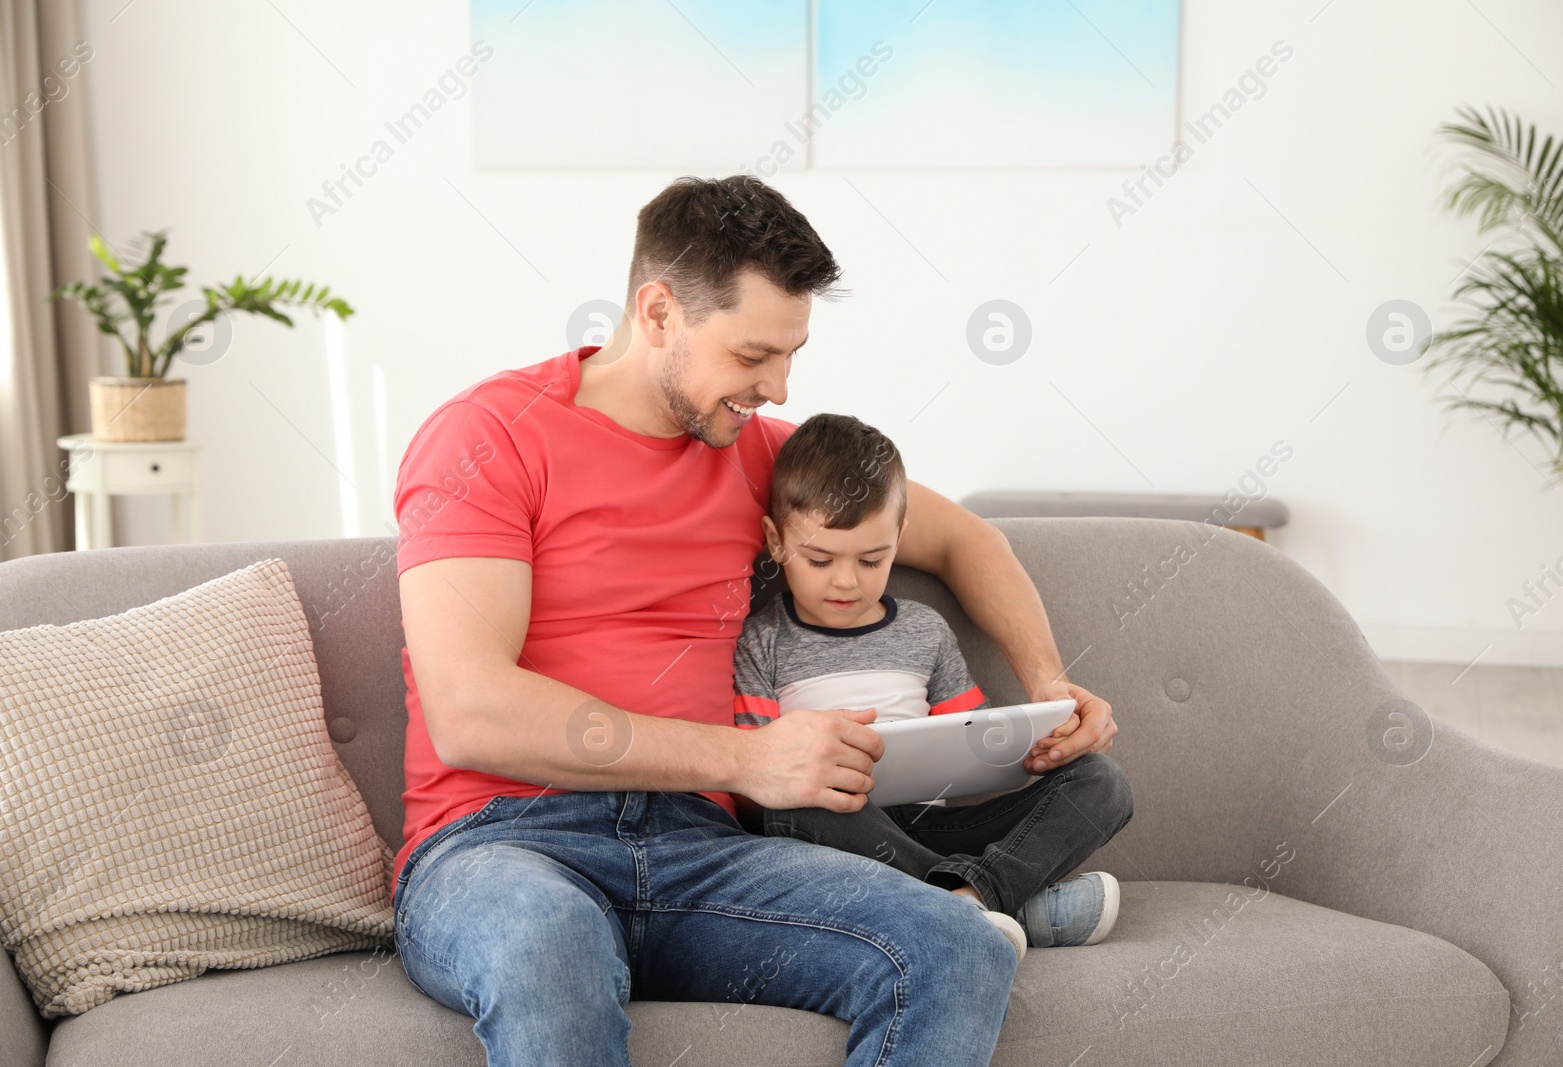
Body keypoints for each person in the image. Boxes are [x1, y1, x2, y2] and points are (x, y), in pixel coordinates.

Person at [389, 174, 1121, 1067]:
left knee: (956, 946)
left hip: (699, 850)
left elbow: (970, 539)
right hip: (501, 844)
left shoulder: (756, 460)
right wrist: (749, 757)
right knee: (550, 942)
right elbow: (471, 710)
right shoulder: (488, 437)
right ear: (659, 312)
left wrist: (1049, 684)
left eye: (790, 354)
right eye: (752, 356)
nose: (776, 388)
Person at [733, 413, 1133, 961]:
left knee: (1102, 781)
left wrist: (1043, 739)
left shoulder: (924, 631)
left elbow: (977, 740)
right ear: (776, 542)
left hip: (932, 829)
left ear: (899, 540)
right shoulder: (762, 641)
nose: (846, 580)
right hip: (843, 834)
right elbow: (754, 788)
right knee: (796, 809)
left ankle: (968, 901)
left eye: (872, 560)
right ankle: (997, 902)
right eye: (820, 559)